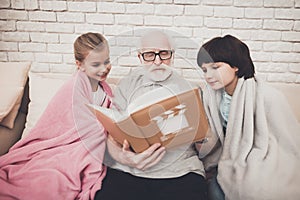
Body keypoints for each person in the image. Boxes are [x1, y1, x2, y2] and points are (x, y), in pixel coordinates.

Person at [95, 30, 208, 200]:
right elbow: (112, 136)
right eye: (149, 55)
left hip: (179, 171)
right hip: (131, 170)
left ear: (172, 56)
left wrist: (202, 137)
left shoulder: (191, 89)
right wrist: (124, 158)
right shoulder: (127, 86)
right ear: (140, 57)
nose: (157, 61)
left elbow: (205, 145)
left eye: (164, 54)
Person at [0, 32, 113, 199]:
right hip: (63, 148)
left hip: (89, 145)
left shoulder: (105, 88)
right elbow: (66, 128)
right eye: (96, 64)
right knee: (56, 178)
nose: (104, 69)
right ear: (79, 65)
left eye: (107, 61)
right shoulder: (74, 87)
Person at [196, 35, 300, 200]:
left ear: (235, 66)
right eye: (204, 70)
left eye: (215, 67)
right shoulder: (209, 96)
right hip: (228, 157)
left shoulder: (267, 96)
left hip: (262, 154)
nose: (208, 75)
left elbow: (287, 141)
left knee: (255, 188)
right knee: (215, 192)